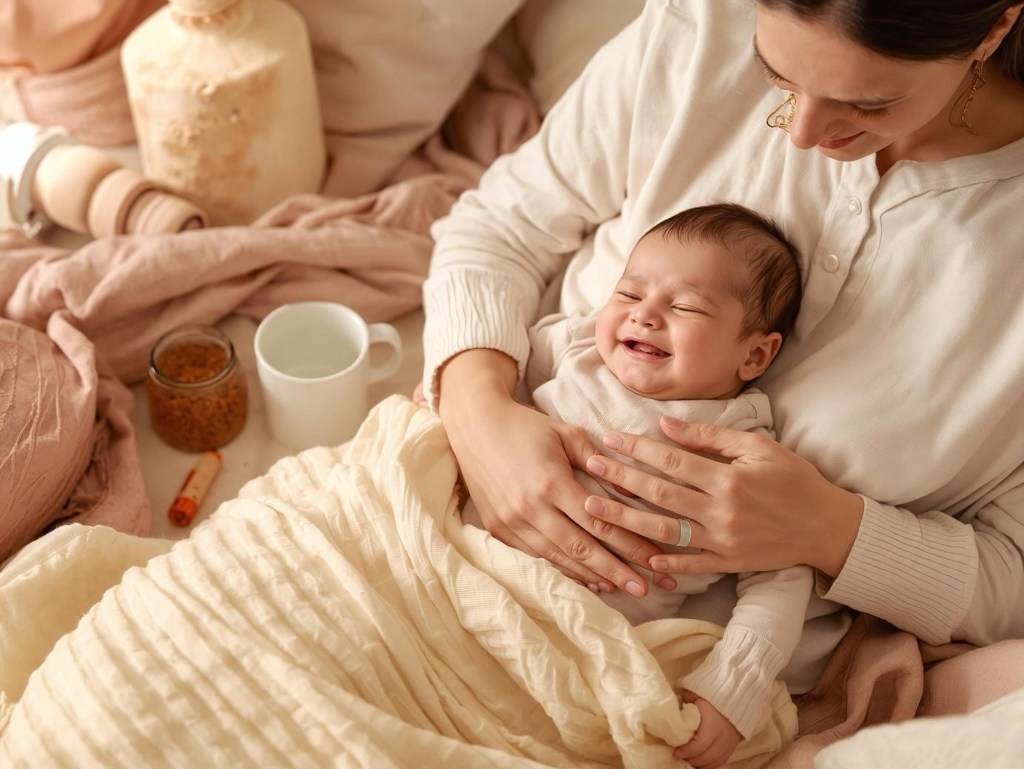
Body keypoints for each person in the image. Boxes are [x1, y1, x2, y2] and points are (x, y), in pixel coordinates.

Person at [422, 0, 1024, 764]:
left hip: (642, 668)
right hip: (446, 543)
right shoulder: (701, 27)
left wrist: (833, 530)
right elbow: (499, 227)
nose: (802, 134)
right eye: (776, 76)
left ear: (997, 25)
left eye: (867, 103)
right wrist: (476, 408)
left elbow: (1013, 581)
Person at [461, 201, 810, 767]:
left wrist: (731, 689)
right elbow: (490, 378)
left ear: (755, 353)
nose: (644, 315)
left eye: (686, 306)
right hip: (461, 558)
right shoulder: (573, 349)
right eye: (628, 294)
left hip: (578, 637)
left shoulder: (740, 450)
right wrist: (446, 400)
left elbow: (782, 579)